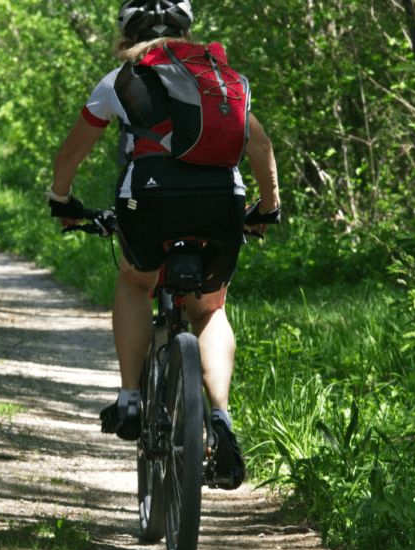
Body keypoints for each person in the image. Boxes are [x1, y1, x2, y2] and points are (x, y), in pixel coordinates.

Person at [46, 0, 281, 490]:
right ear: (186, 29)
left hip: (149, 204)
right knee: (210, 309)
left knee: (135, 281)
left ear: (126, 33)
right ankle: (221, 419)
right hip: (222, 203)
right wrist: (267, 208)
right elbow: (259, 147)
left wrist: (62, 201)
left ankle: (130, 398)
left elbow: (71, 153)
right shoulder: (223, 78)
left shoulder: (119, 81)